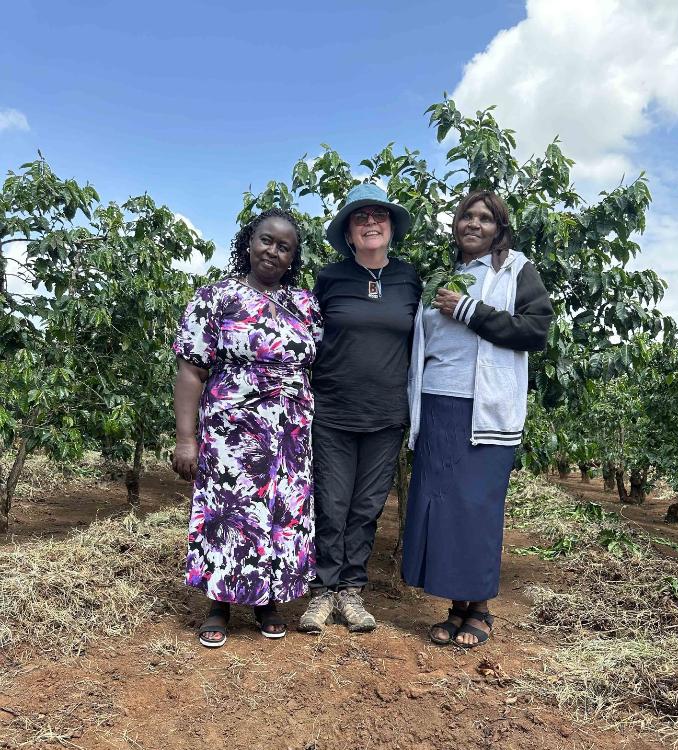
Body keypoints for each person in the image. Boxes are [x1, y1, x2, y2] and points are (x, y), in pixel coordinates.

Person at [403, 191, 553, 649]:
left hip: (485, 409)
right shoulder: (444, 278)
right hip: (437, 405)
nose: (474, 223)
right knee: (443, 506)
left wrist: (470, 311)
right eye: (466, 215)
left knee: (477, 506)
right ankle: (454, 608)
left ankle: (480, 608)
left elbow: (535, 330)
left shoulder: (517, 271)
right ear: (455, 224)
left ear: (499, 228)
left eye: (485, 218)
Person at [172, 208, 322, 647]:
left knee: (278, 512)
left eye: (284, 247)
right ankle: (219, 604)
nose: (273, 251)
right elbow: (190, 371)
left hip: (290, 430)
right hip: (233, 429)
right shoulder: (214, 298)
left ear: (293, 257)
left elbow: (320, 363)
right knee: (231, 511)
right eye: (266, 240)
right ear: (248, 242)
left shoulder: (306, 305)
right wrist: (186, 439)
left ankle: (266, 602)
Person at [298, 184, 422, 634]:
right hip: (332, 411)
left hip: (387, 414)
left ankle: (351, 592)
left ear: (391, 227)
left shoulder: (409, 278)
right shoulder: (330, 278)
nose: (371, 223)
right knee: (331, 503)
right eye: (360, 217)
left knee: (367, 507)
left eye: (379, 216)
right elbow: (307, 339)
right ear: (349, 233)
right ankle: (323, 592)